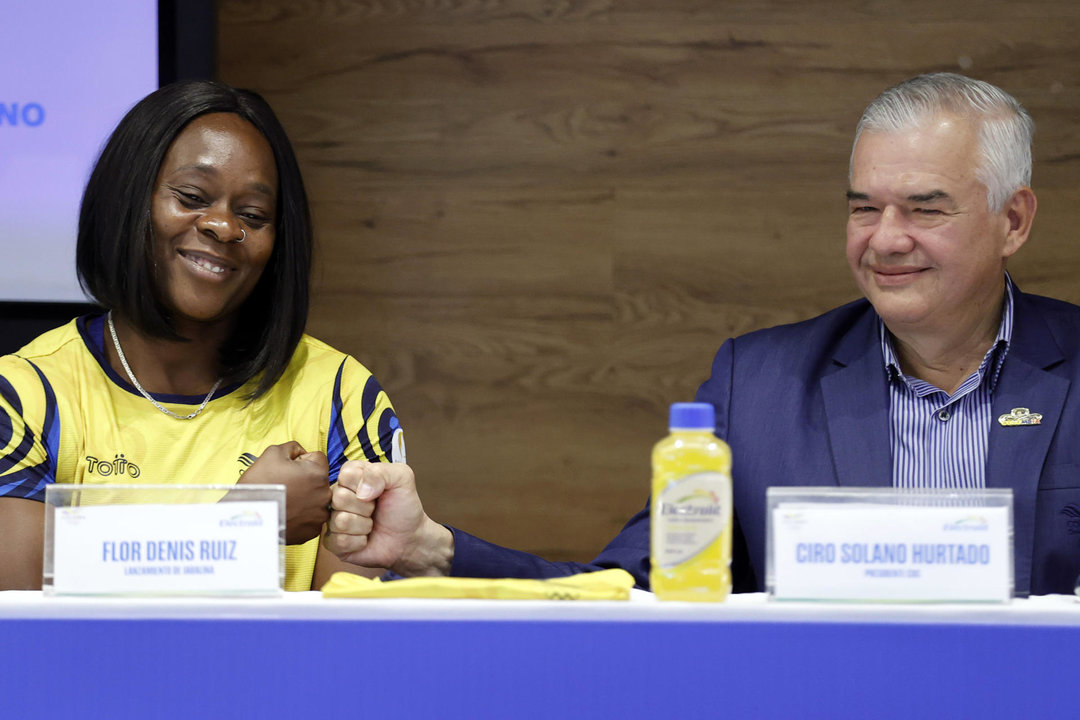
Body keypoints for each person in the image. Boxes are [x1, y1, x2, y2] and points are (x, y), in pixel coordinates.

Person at [323, 72, 1080, 597]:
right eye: (862, 209)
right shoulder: (759, 386)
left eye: (925, 209)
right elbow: (638, 586)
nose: (885, 240)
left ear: (1013, 221)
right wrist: (432, 547)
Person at [0, 80, 403, 591]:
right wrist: (242, 523)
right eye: (192, 197)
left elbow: (359, 640)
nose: (222, 226)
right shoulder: (22, 395)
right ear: (128, 200)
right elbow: (20, 623)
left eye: (252, 215)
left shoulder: (341, 397)